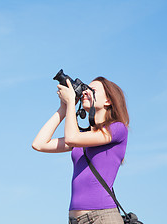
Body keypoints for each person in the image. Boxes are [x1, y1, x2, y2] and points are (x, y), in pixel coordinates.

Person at [32, 76, 129, 224]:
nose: (85, 93)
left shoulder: (118, 129)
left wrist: (71, 102)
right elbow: (39, 144)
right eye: (85, 89)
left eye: (92, 90)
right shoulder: (83, 137)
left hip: (102, 217)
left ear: (108, 101)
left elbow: (71, 138)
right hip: (75, 220)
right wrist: (63, 109)